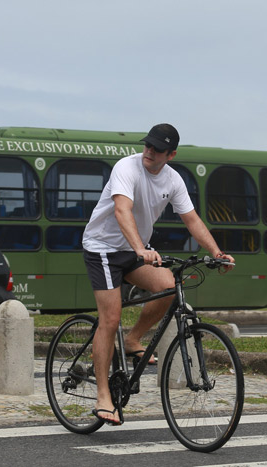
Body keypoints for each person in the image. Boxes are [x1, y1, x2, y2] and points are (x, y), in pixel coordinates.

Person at [82, 123, 235, 426]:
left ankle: (133, 339)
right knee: (109, 319)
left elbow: (192, 220)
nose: (149, 151)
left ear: (171, 155)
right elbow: (122, 211)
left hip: (135, 249)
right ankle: (103, 397)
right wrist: (140, 249)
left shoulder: (173, 180)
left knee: (168, 287)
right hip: (103, 248)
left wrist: (217, 253)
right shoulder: (127, 168)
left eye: (157, 149)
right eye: (147, 145)